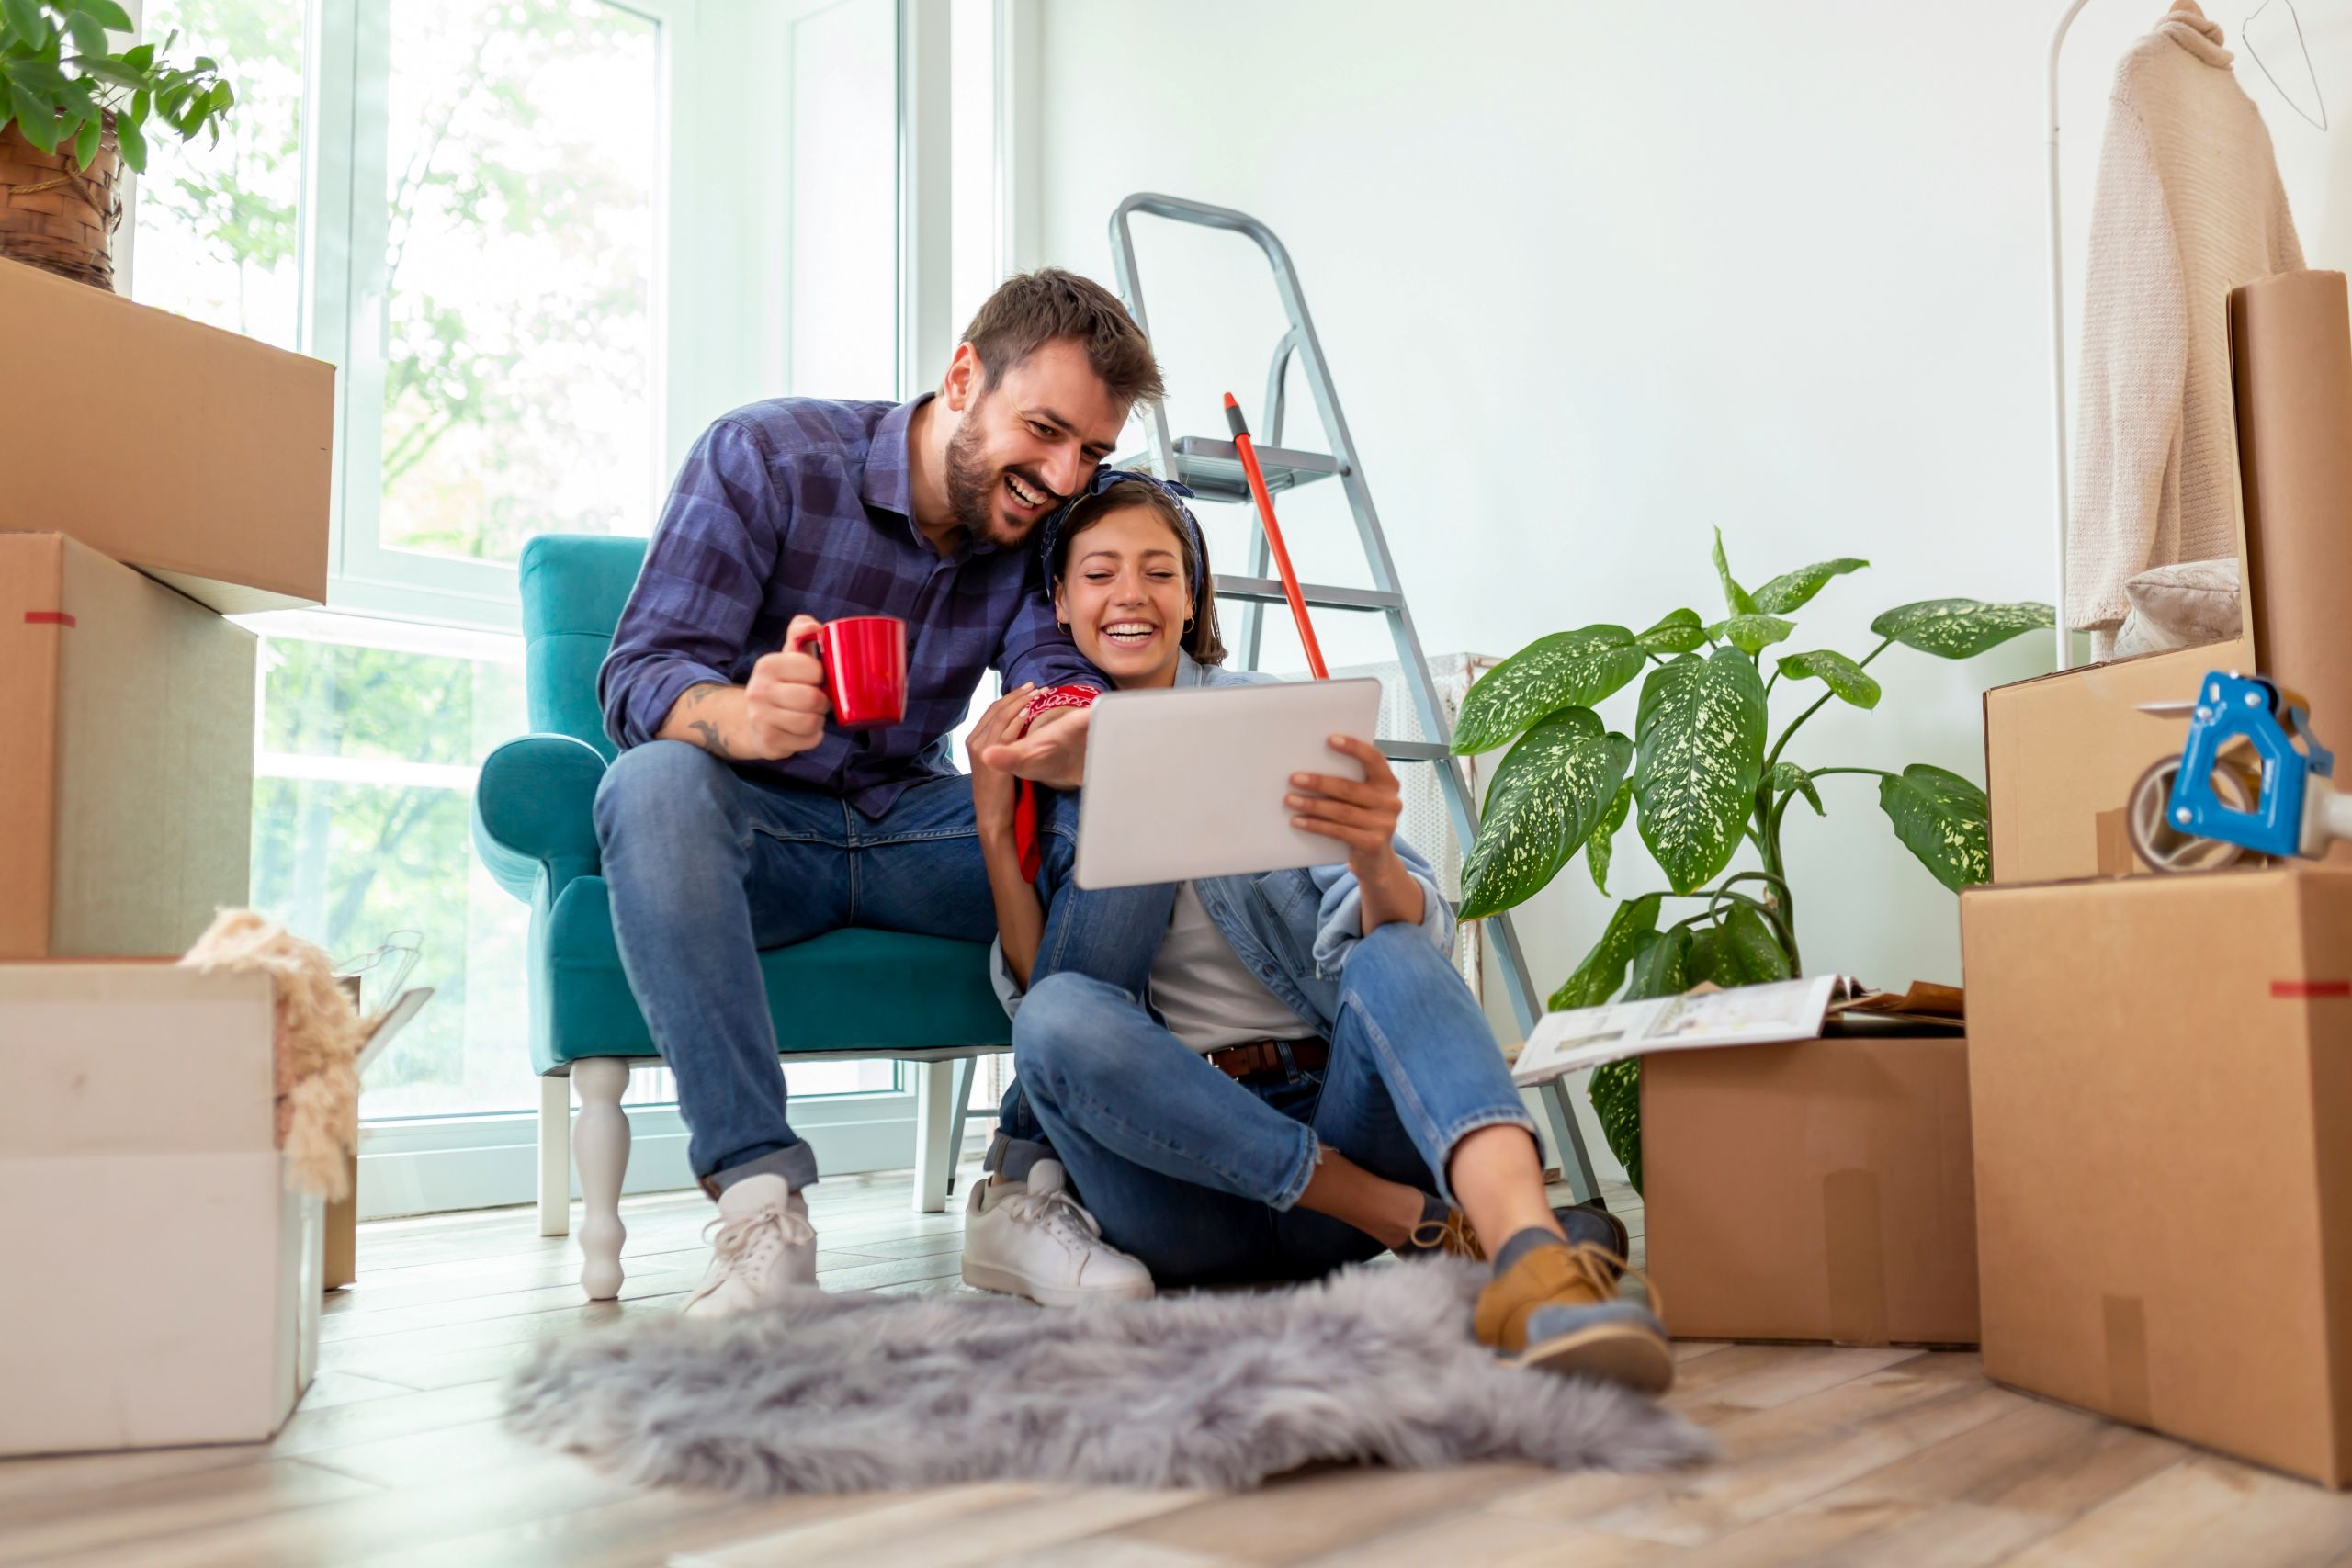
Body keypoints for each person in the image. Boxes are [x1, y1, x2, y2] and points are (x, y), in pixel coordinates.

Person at [957, 470, 1675, 1393]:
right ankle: (1410, 1219)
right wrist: (992, 817)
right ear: (1059, 602)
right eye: (1098, 574)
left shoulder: (1268, 717)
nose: (1129, 594)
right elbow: (1041, 1009)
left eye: (1158, 572)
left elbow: (1397, 937)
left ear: (1191, 598)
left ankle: (1531, 1258)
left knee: (1397, 947)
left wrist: (1376, 858)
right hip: (1176, 1185)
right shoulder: (1038, 748)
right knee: (1055, 1014)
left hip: (1328, 1110)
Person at [594, 270, 1165, 1318]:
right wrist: (738, 714)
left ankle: (1021, 1187)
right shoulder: (765, 457)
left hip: (915, 827)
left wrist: (1070, 719)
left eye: (1089, 452)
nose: (1060, 476)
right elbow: (637, 676)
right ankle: (761, 1209)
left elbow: (1051, 664)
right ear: (961, 377)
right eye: (1042, 430)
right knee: (654, 781)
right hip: (758, 829)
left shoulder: (1044, 520)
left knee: (1124, 801)